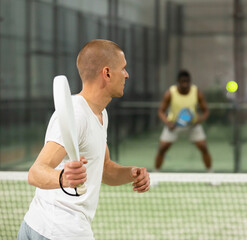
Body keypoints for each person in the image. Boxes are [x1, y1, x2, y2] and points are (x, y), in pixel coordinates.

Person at [17, 39, 150, 240]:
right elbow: (35, 173)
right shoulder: (75, 114)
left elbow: (104, 169)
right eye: (123, 68)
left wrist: (131, 173)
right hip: (57, 231)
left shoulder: (101, 114)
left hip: (49, 228)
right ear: (107, 73)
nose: (126, 74)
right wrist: (63, 178)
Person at [154, 70, 212, 172]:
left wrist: (200, 119)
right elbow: (161, 111)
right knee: (162, 148)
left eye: (187, 81)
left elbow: (206, 111)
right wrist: (168, 123)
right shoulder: (170, 93)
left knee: (203, 147)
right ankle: (155, 174)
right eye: (183, 81)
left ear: (190, 81)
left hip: (193, 125)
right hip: (174, 125)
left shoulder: (197, 92)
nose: (185, 83)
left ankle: (211, 174)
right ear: (178, 81)